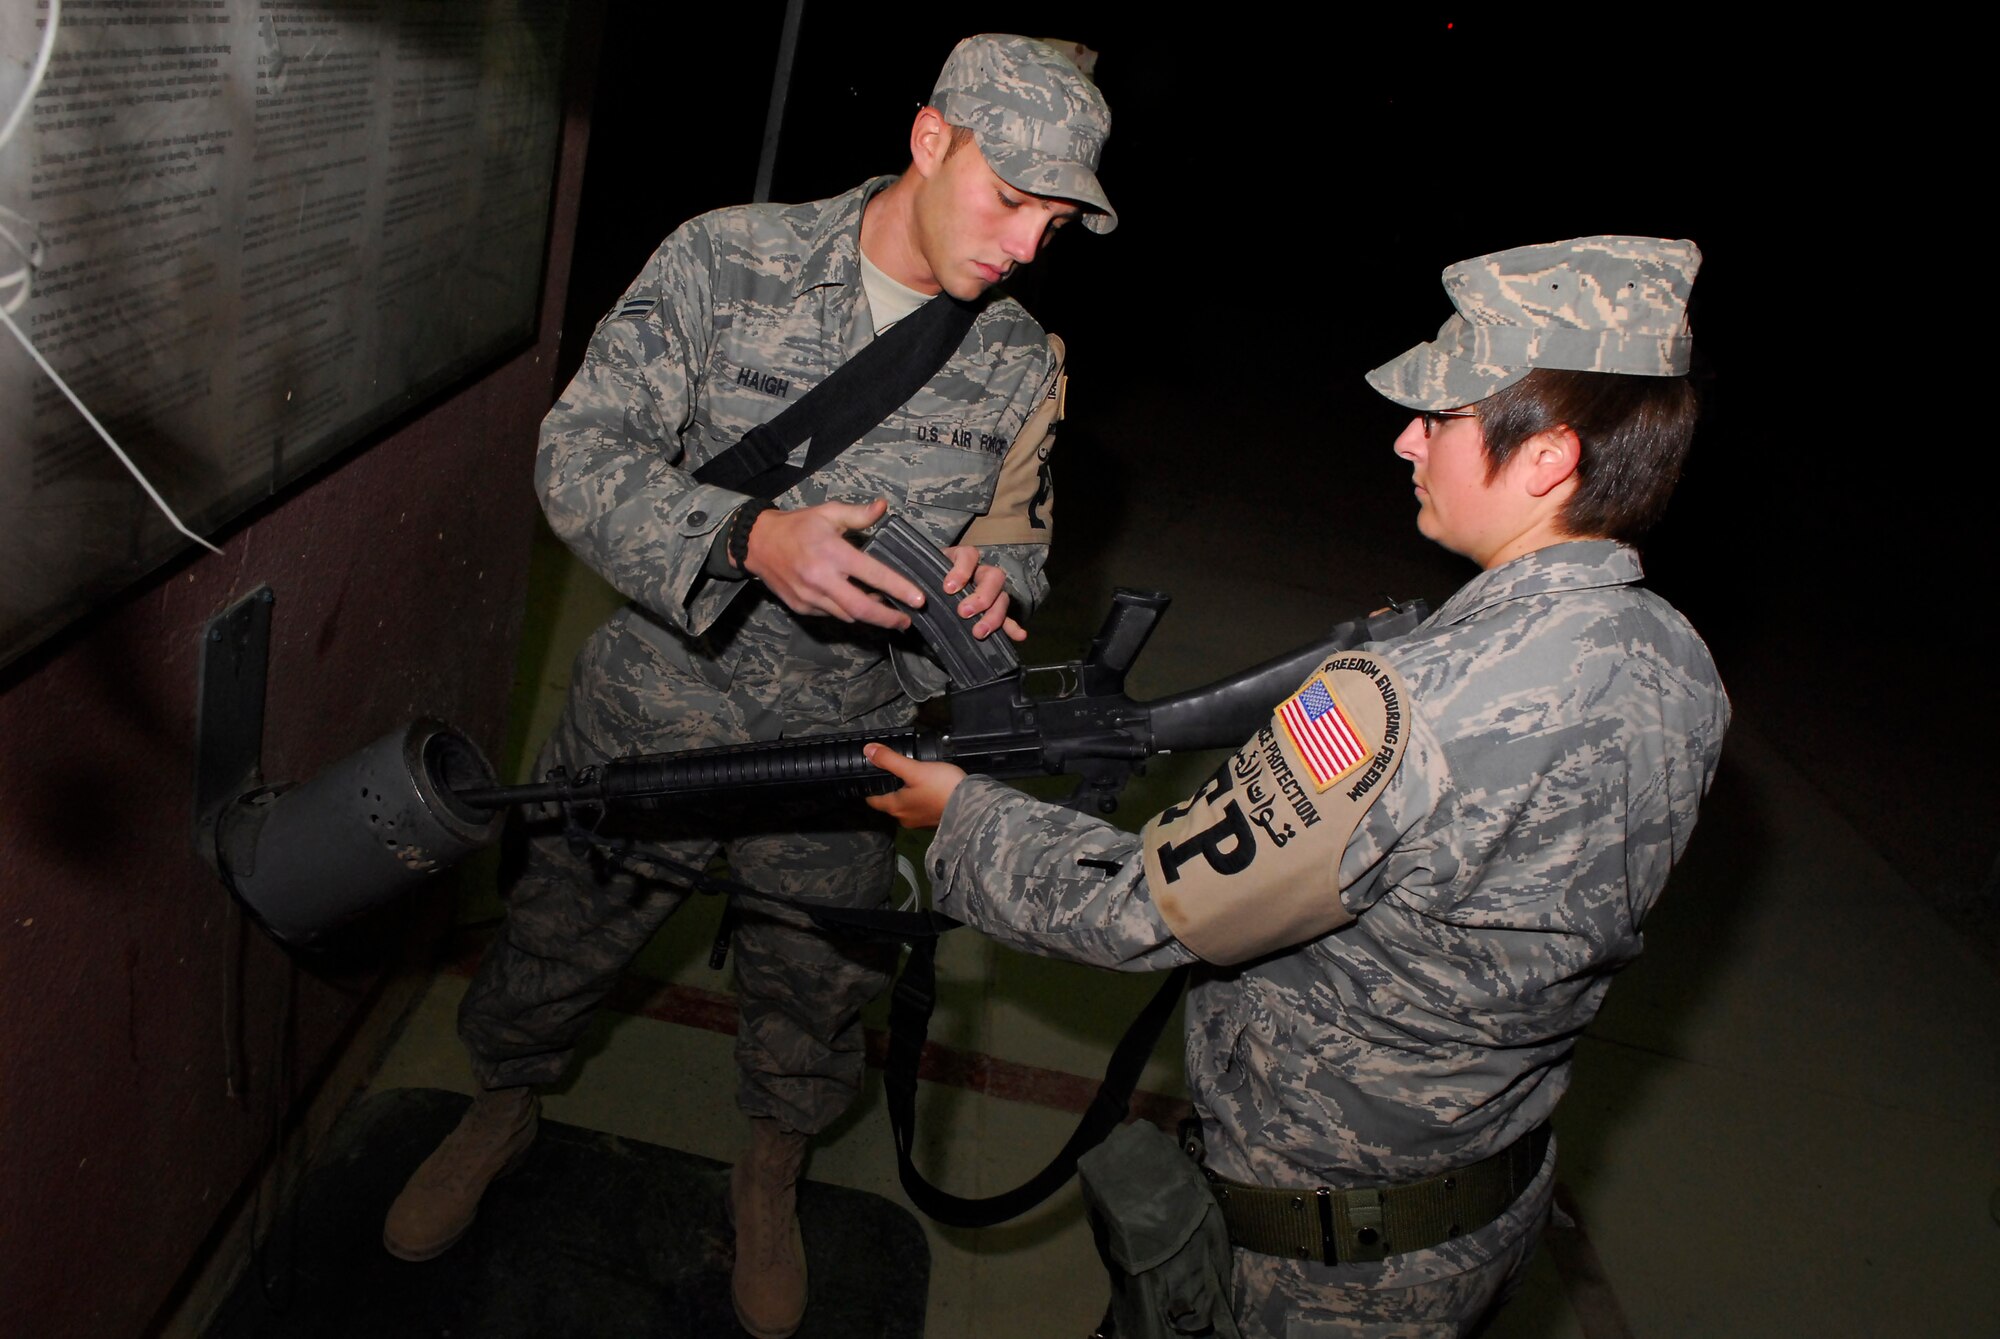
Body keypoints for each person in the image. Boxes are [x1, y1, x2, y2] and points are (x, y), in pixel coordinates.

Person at [382, 34, 1115, 1339]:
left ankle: (772, 1165)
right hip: (654, 709)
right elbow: (578, 453)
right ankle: (500, 1102)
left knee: (815, 988)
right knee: (553, 936)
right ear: (931, 139)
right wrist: (748, 538)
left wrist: (999, 584)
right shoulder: (729, 261)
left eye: (1056, 223)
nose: (1024, 245)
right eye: (1012, 199)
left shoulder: (1020, 359)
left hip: (848, 753)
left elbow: (1022, 535)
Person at [864, 236, 1730, 1336]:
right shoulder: (1675, 662)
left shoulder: (1406, 707)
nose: (1403, 438)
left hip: (1313, 1264)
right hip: (1475, 1205)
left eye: (1441, 417)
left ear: (1548, 458)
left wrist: (961, 817)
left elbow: (1142, 909)